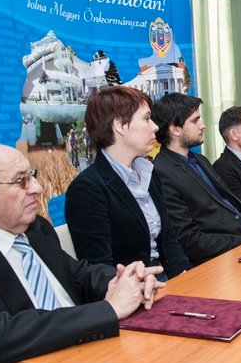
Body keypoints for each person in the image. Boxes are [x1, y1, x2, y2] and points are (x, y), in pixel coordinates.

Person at [0, 142, 164, 363]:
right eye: (21, 181)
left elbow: (78, 274)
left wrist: (126, 280)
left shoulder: (36, 229)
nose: (37, 188)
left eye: (32, 175)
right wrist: (109, 309)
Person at [65, 86, 191, 279]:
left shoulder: (149, 173)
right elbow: (100, 270)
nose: (155, 127)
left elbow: (168, 239)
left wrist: (186, 277)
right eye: (146, 119)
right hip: (133, 289)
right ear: (120, 126)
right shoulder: (87, 189)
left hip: (165, 278)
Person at [151, 93, 241, 266]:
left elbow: (228, 205)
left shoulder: (200, 160)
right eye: (195, 120)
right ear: (175, 129)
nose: (203, 125)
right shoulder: (161, 171)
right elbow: (189, 240)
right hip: (219, 260)